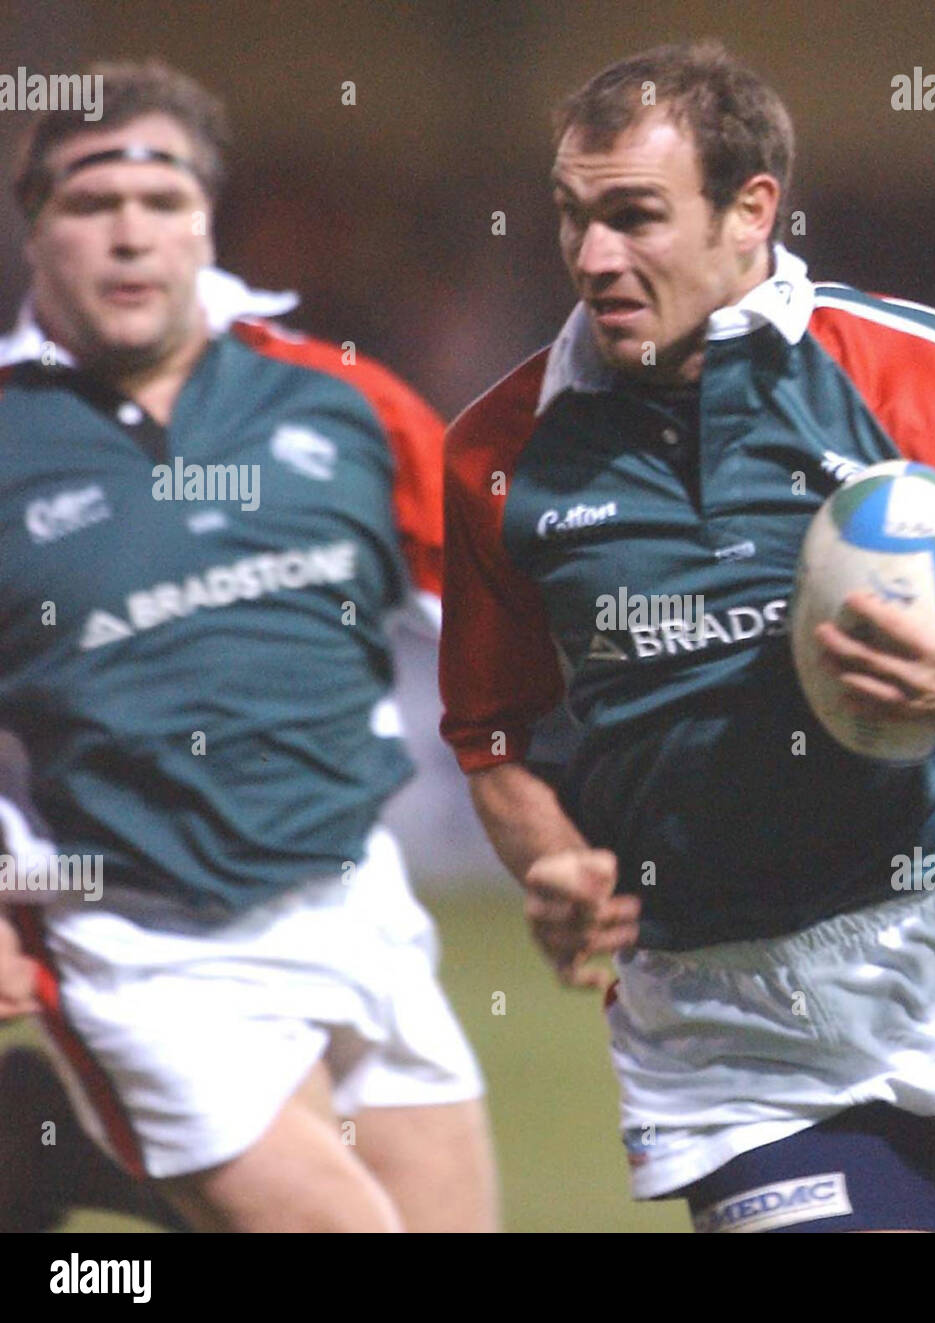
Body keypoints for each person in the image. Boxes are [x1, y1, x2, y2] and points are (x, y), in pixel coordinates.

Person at [439, 40, 935, 1233]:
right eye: (571, 218)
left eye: (634, 216)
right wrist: (547, 857)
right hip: (727, 1025)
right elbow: (492, 735)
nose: (593, 258)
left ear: (753, 210)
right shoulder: (498, 454)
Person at [0, 60, 497, 1232]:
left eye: (163, 204)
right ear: (34, 229)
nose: (131, 237)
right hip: (136, 940)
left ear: (205, 222)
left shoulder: (340, 404)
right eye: (88, 204)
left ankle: (50, 1142)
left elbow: (502, 611)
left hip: (355, 901)